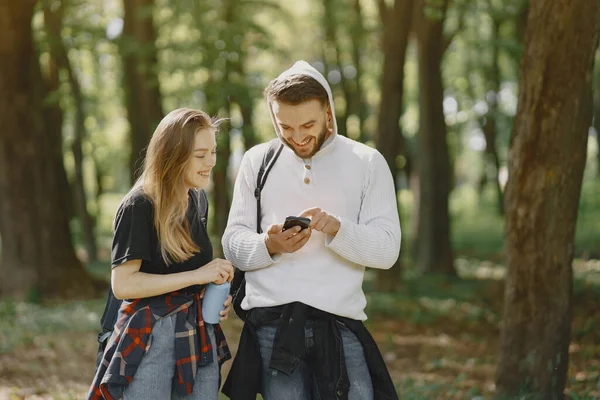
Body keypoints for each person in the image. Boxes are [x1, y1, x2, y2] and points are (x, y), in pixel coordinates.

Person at [221, 61, 401, 400]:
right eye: (285, 126)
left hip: (341, 325)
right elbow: (232, 243)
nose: (298, 136)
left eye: (308, 124)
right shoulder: (256, 162)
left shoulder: (367, 162)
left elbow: (388, 250)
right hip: (273, 329)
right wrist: (269, 245)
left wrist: (337, 229)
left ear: (329, 113)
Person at [87, 108, 234, 400]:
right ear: (174, 155)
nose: (211, 162)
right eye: (200, 155)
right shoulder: (139, 205)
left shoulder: (197, 199)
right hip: (149, 339)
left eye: (213, 152)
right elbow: (124, 284)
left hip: (196, 332)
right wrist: (197, 275)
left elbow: (184, 270)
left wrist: (210, 291)